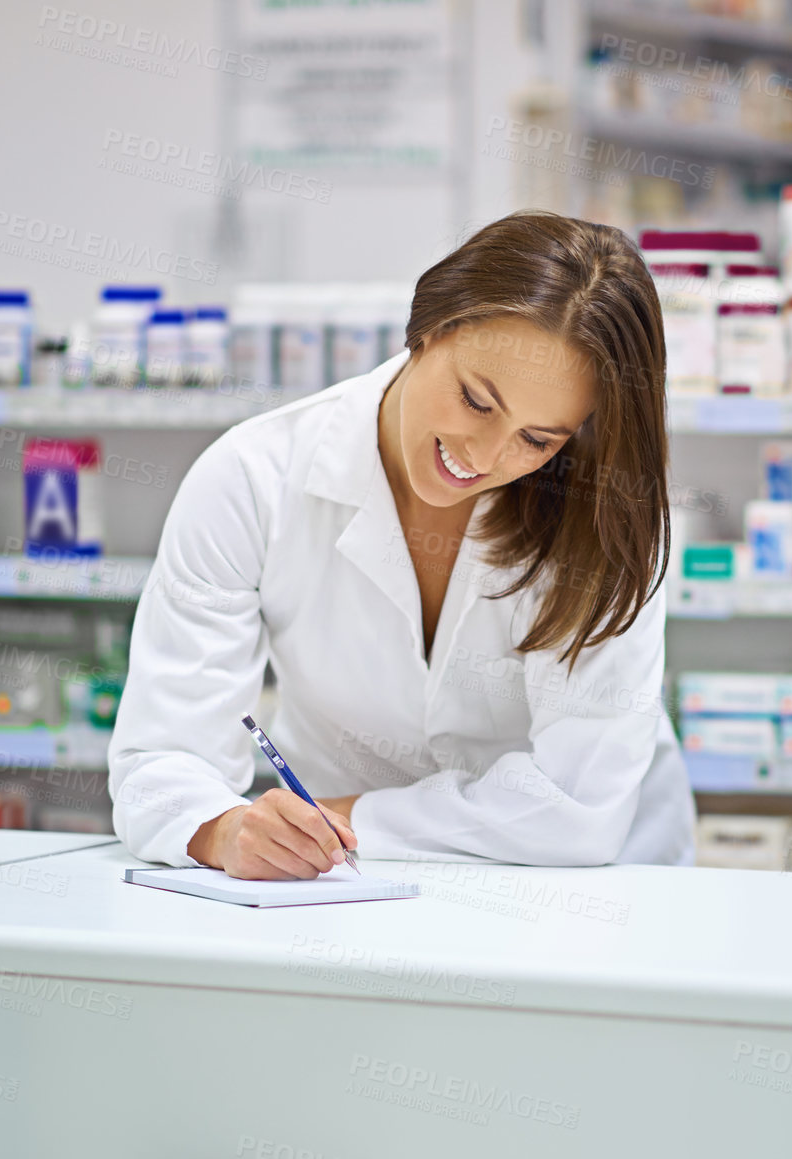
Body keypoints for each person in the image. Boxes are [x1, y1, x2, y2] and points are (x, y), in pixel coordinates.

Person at [108, 211, 695, 879]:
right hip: (332, 883)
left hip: (589, 890)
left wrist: (344, 819)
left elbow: (576, 807)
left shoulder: (607, 521)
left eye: (538, 439)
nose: (485, 454)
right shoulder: (251, 479)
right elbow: (160, 760)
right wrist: (221, 828)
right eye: (476, 400)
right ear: (430, 327)